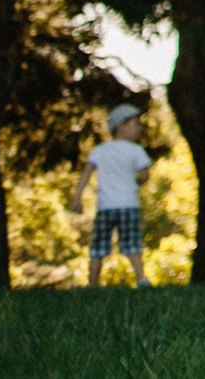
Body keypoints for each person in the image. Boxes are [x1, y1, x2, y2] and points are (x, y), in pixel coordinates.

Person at [74, 102, 153, 288]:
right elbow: (144, 175)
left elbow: (86, 174)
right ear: (120, 127)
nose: (139, 129)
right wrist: (137, 181)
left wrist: (76, 198)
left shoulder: (100, 150)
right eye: (135, 125)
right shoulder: (136, 150)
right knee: (132, 245)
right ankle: (141, 278)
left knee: (99, 247)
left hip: (105, 206)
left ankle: (93, 283)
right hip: (128, 205)